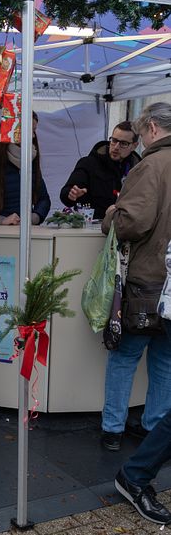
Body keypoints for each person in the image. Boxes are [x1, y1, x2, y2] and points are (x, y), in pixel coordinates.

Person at [100, 102, 171, 451]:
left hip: (148, 278)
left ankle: (112, 429)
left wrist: (112, 214)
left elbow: (133, 224)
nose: (141, 139)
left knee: (125, 355)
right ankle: (154, 429)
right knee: (165, 358)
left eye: (141, 133)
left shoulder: (150, 166)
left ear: (153, 128)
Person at [115, 246, 171, 524]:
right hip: (148, 287)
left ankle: (135, 472)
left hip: (152, 286)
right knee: (128, 357)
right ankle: (134, 474)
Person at [59, 121, 141, 219]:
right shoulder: (89, 163)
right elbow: (65, 194)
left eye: (123, 144)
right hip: (92, 229)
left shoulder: (139, 169)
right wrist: (71, 194)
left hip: (124, 228)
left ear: (134, 146)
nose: (116, 147)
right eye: (114, 140)